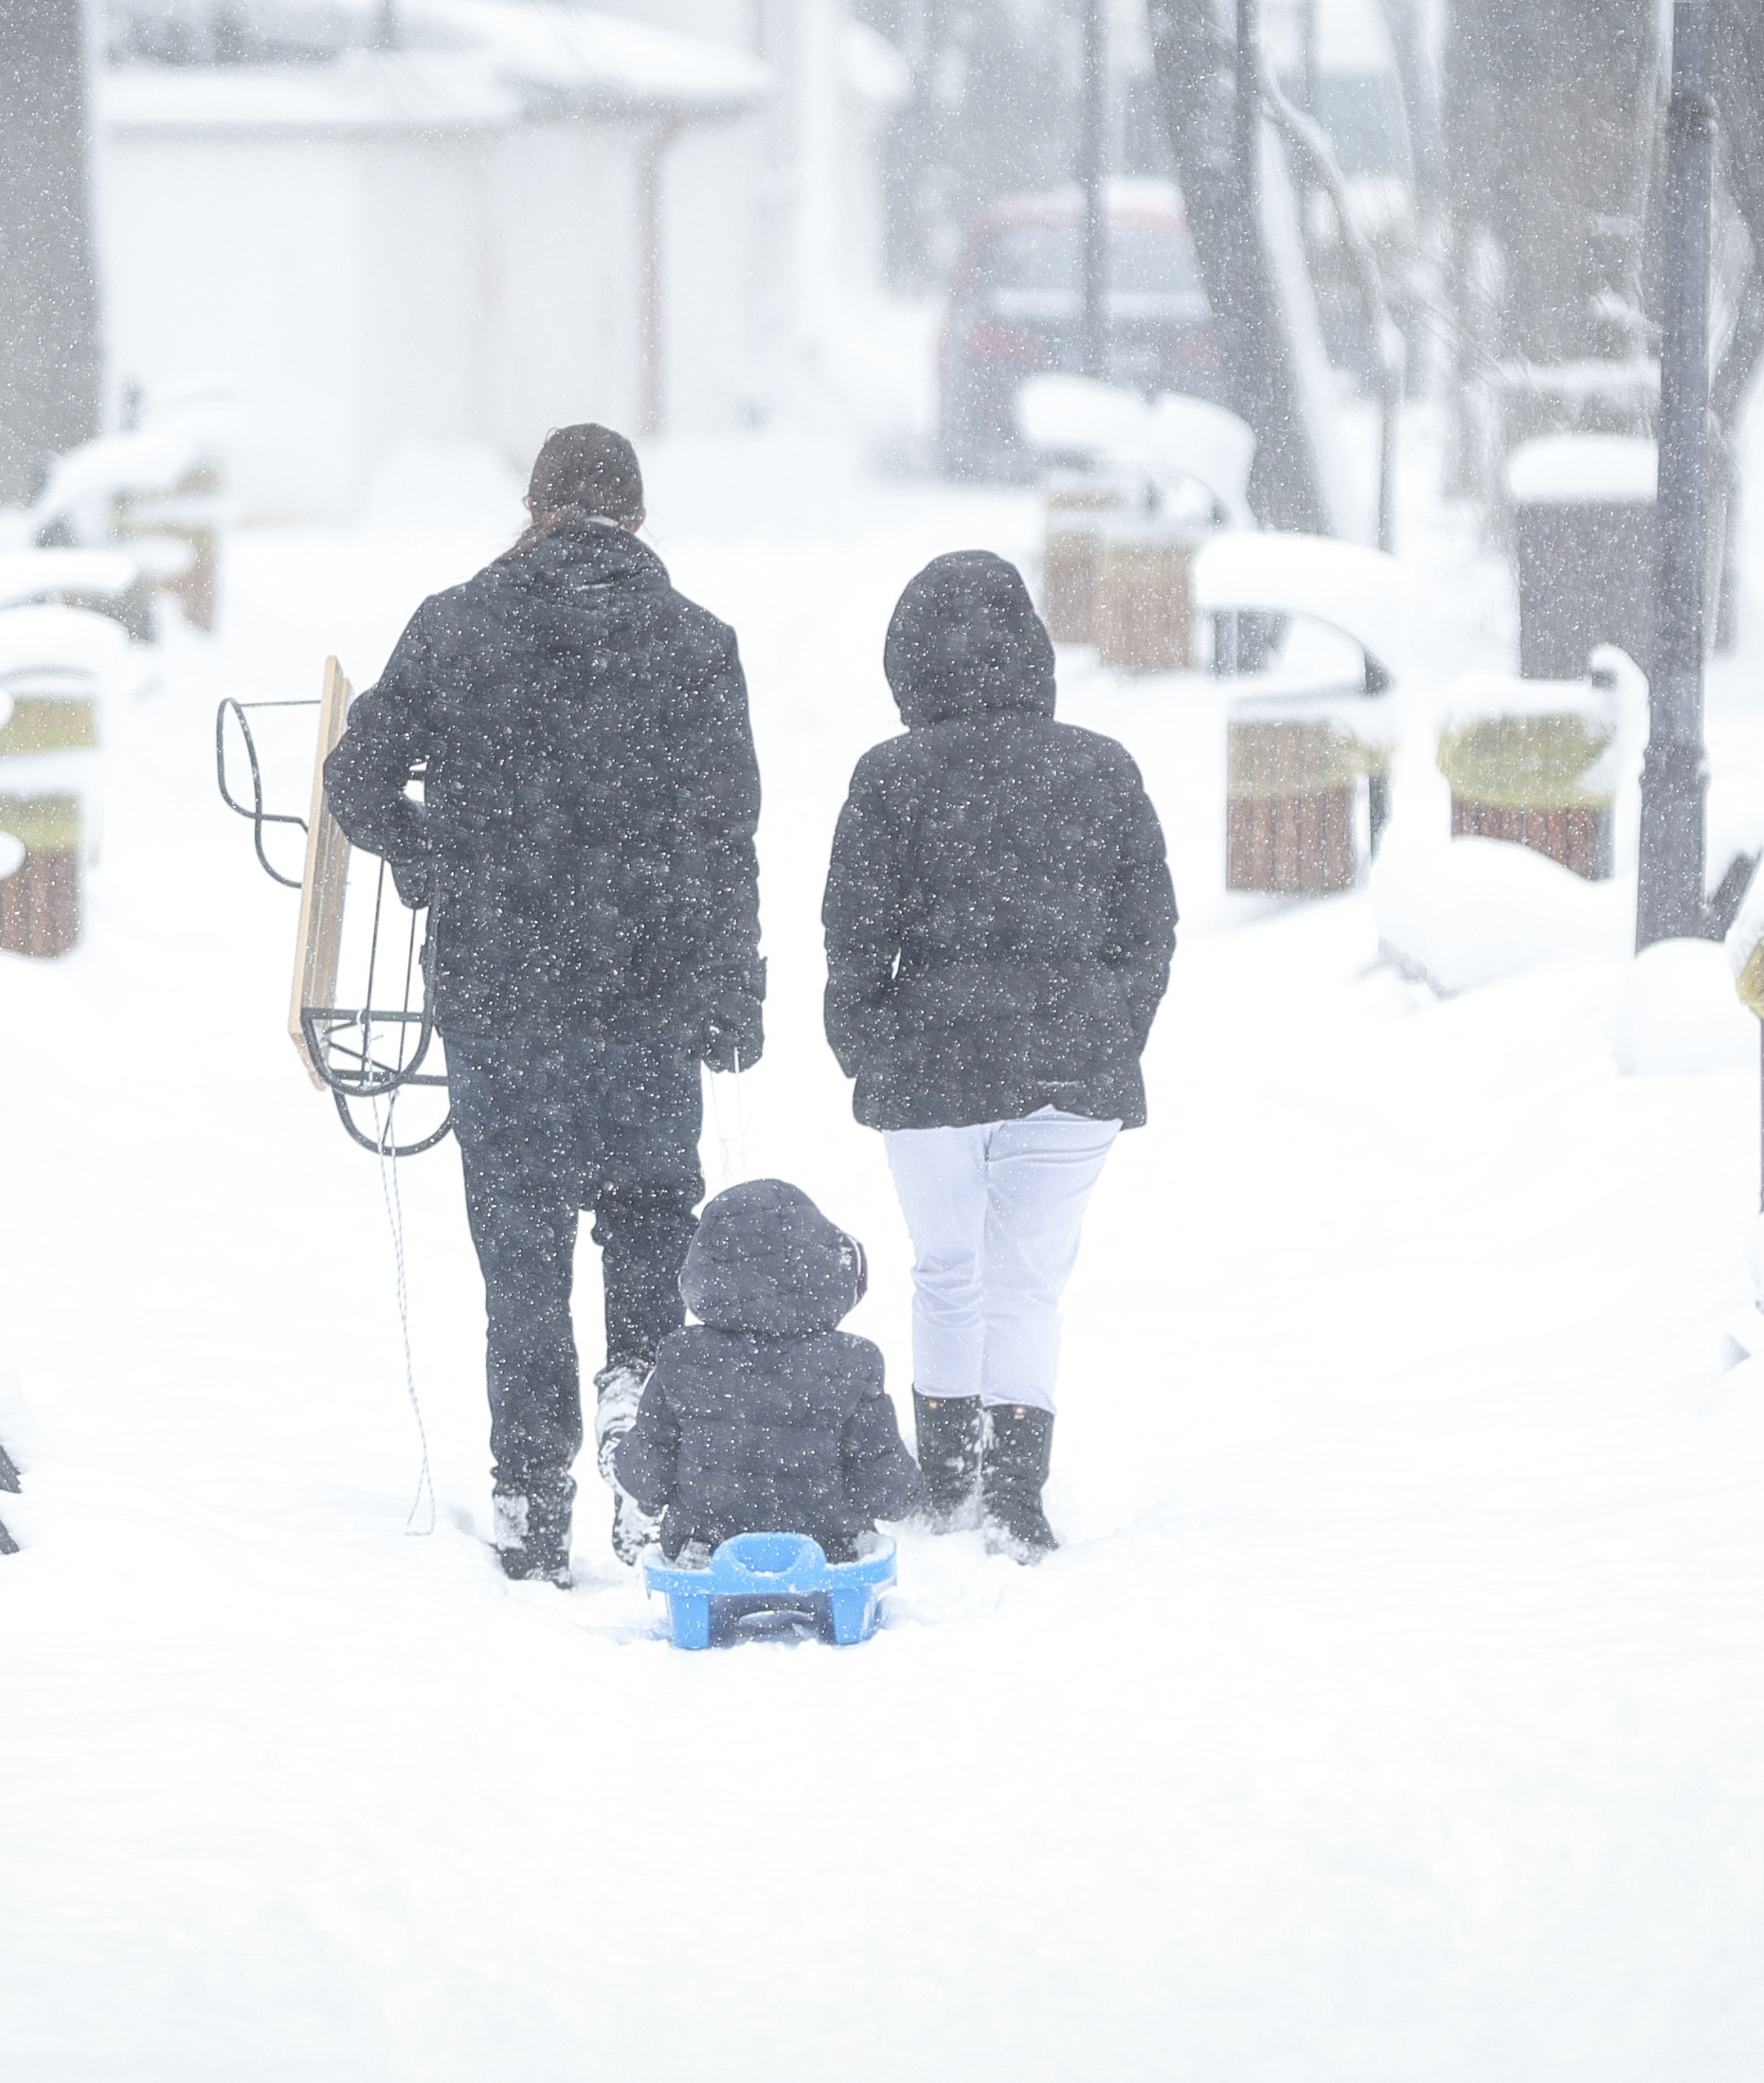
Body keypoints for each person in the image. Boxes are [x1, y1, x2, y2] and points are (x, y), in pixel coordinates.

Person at [325, 424, 764, 1585]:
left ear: (532, 509)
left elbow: (354, 780)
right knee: (652, 1226)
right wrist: (731, 988)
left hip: (499, 999)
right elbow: (726, 838)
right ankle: (642, 1431)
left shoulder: (454, 626)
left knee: (520, 1256)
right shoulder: (697, 646)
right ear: (638, 518)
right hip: (647, 998)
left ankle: (530, 1495)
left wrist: (435, 859)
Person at [820, 550, 1176, 1561]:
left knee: (946, 1271)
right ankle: (1018, 1493)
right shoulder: (1101, 768)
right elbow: (1147, 927)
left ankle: (947, 1480)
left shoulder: (892, 777)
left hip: (931, 1063)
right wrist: (1112, 1022)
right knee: (1030, 1281)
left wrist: (864, 1039)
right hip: (1076, 1062)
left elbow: (853, 929)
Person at [611, 1179, 924, 1565]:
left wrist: (623, 1456)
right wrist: (912, 1488)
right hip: (825, 1557)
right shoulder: (852, 1364)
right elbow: (887, 1492)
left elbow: (647, 1478)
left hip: (707, 1555)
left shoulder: (682, 1359)